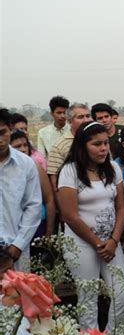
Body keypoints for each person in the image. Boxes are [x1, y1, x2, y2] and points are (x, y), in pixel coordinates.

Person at [58, 121, 124, 331]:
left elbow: (121, 208)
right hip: (81, 244)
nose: (103, 149)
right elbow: (69, 216)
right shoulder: (70, 171)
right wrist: (99, 244)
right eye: (96, 144)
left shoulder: (113, 168)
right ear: (82, 146)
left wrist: (113, 241)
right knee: (88, 299)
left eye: (106, 143)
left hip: (111, 243)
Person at [0, 109, 42, 271]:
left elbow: (33, 206)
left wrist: (18, 245)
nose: (0, 139)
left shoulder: (26, 164)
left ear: (10, 129)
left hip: (17, 248)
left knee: (18, 294)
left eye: (2, 132)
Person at [10, 130, 55, 238]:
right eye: (18, 146)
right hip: (11, 227)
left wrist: (48, 233)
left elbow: (49, 201)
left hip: (36, 226)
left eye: (25, 145)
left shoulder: (35, 167)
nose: (23, 149)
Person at [47, 103, 92, 206]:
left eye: (88, 116)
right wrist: (63, 211)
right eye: (80, 117)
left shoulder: (100, 140)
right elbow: (55, 183)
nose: (86, 120)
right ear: (70, 121)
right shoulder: (59, 146)